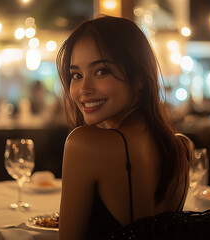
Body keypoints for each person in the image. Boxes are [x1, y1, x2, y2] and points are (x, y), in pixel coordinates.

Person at [56, 15, 194, 240]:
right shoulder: (181, 147)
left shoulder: (84, 144)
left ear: (139, 78)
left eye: (101, 71)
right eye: (76, 75)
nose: (83, 89)